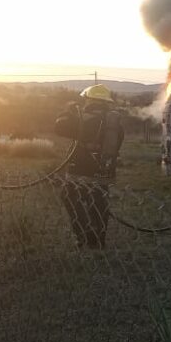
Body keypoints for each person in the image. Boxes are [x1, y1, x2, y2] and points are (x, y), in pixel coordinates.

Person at [54, 84, 124, 249]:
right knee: (99, 204)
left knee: (71, 198)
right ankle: (98, 242)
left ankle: (84, 237)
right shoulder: (115, 124)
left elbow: (58, 127)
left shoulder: (82, 119)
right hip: (104, 171)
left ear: (89, 99)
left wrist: (67, 111)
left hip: (80, 170)